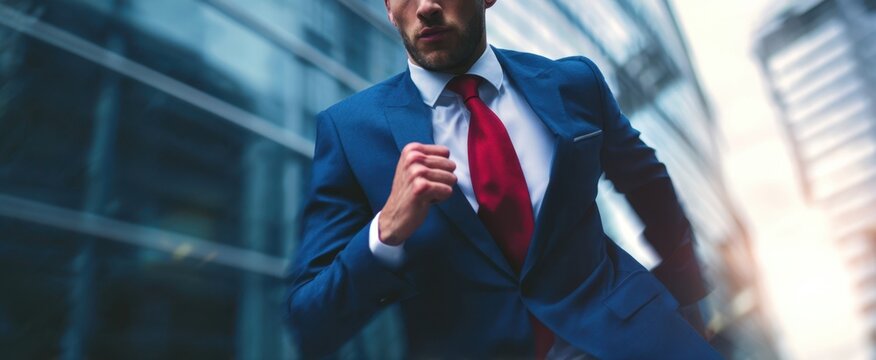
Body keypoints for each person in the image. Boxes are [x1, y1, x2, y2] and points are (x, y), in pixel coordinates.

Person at [285, 0, 722, 358]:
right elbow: (309, 322)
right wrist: (384, 232)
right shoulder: (349, 132)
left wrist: (685, 297)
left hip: (635, 339)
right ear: (387, 8)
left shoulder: (573, 82)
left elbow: (649, 186)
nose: (427, 7)